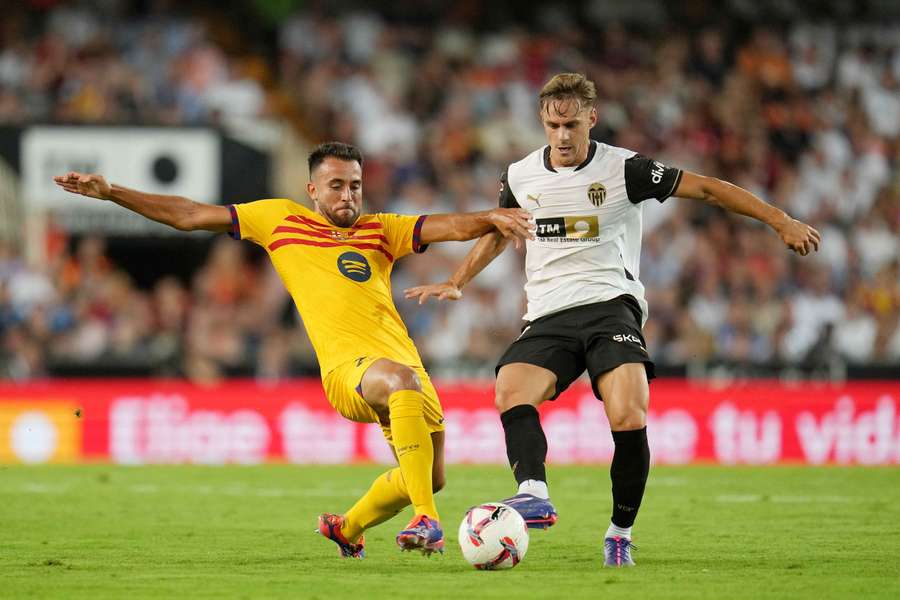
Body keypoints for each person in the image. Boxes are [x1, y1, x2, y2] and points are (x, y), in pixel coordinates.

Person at [405, 74, 821, 567]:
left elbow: (708, 190)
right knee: (510, 389)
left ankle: (620, 531)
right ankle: (534, 491)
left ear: (592, 120)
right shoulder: (519, 175)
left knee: (627, 413)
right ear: (542, 121)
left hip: (610, 305)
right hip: (549, 312)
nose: (562, 136)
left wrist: (781, 220)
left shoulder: (626, 170)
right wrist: (458, 279)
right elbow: (501, 229)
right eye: (553, 125)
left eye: (572, 125)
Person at [54, 141, 534, 559]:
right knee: (406, 413)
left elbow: (448, 226)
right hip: (348, 371)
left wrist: (489, 216)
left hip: (403, 365)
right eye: (336, 185)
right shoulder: (279, 219)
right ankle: (427, 522)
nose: (347, 195)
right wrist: (113, 192)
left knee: (430, 476)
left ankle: (346, 529)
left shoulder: (381, 230)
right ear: (312, 190)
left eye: (355, 185)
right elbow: (189, 214)